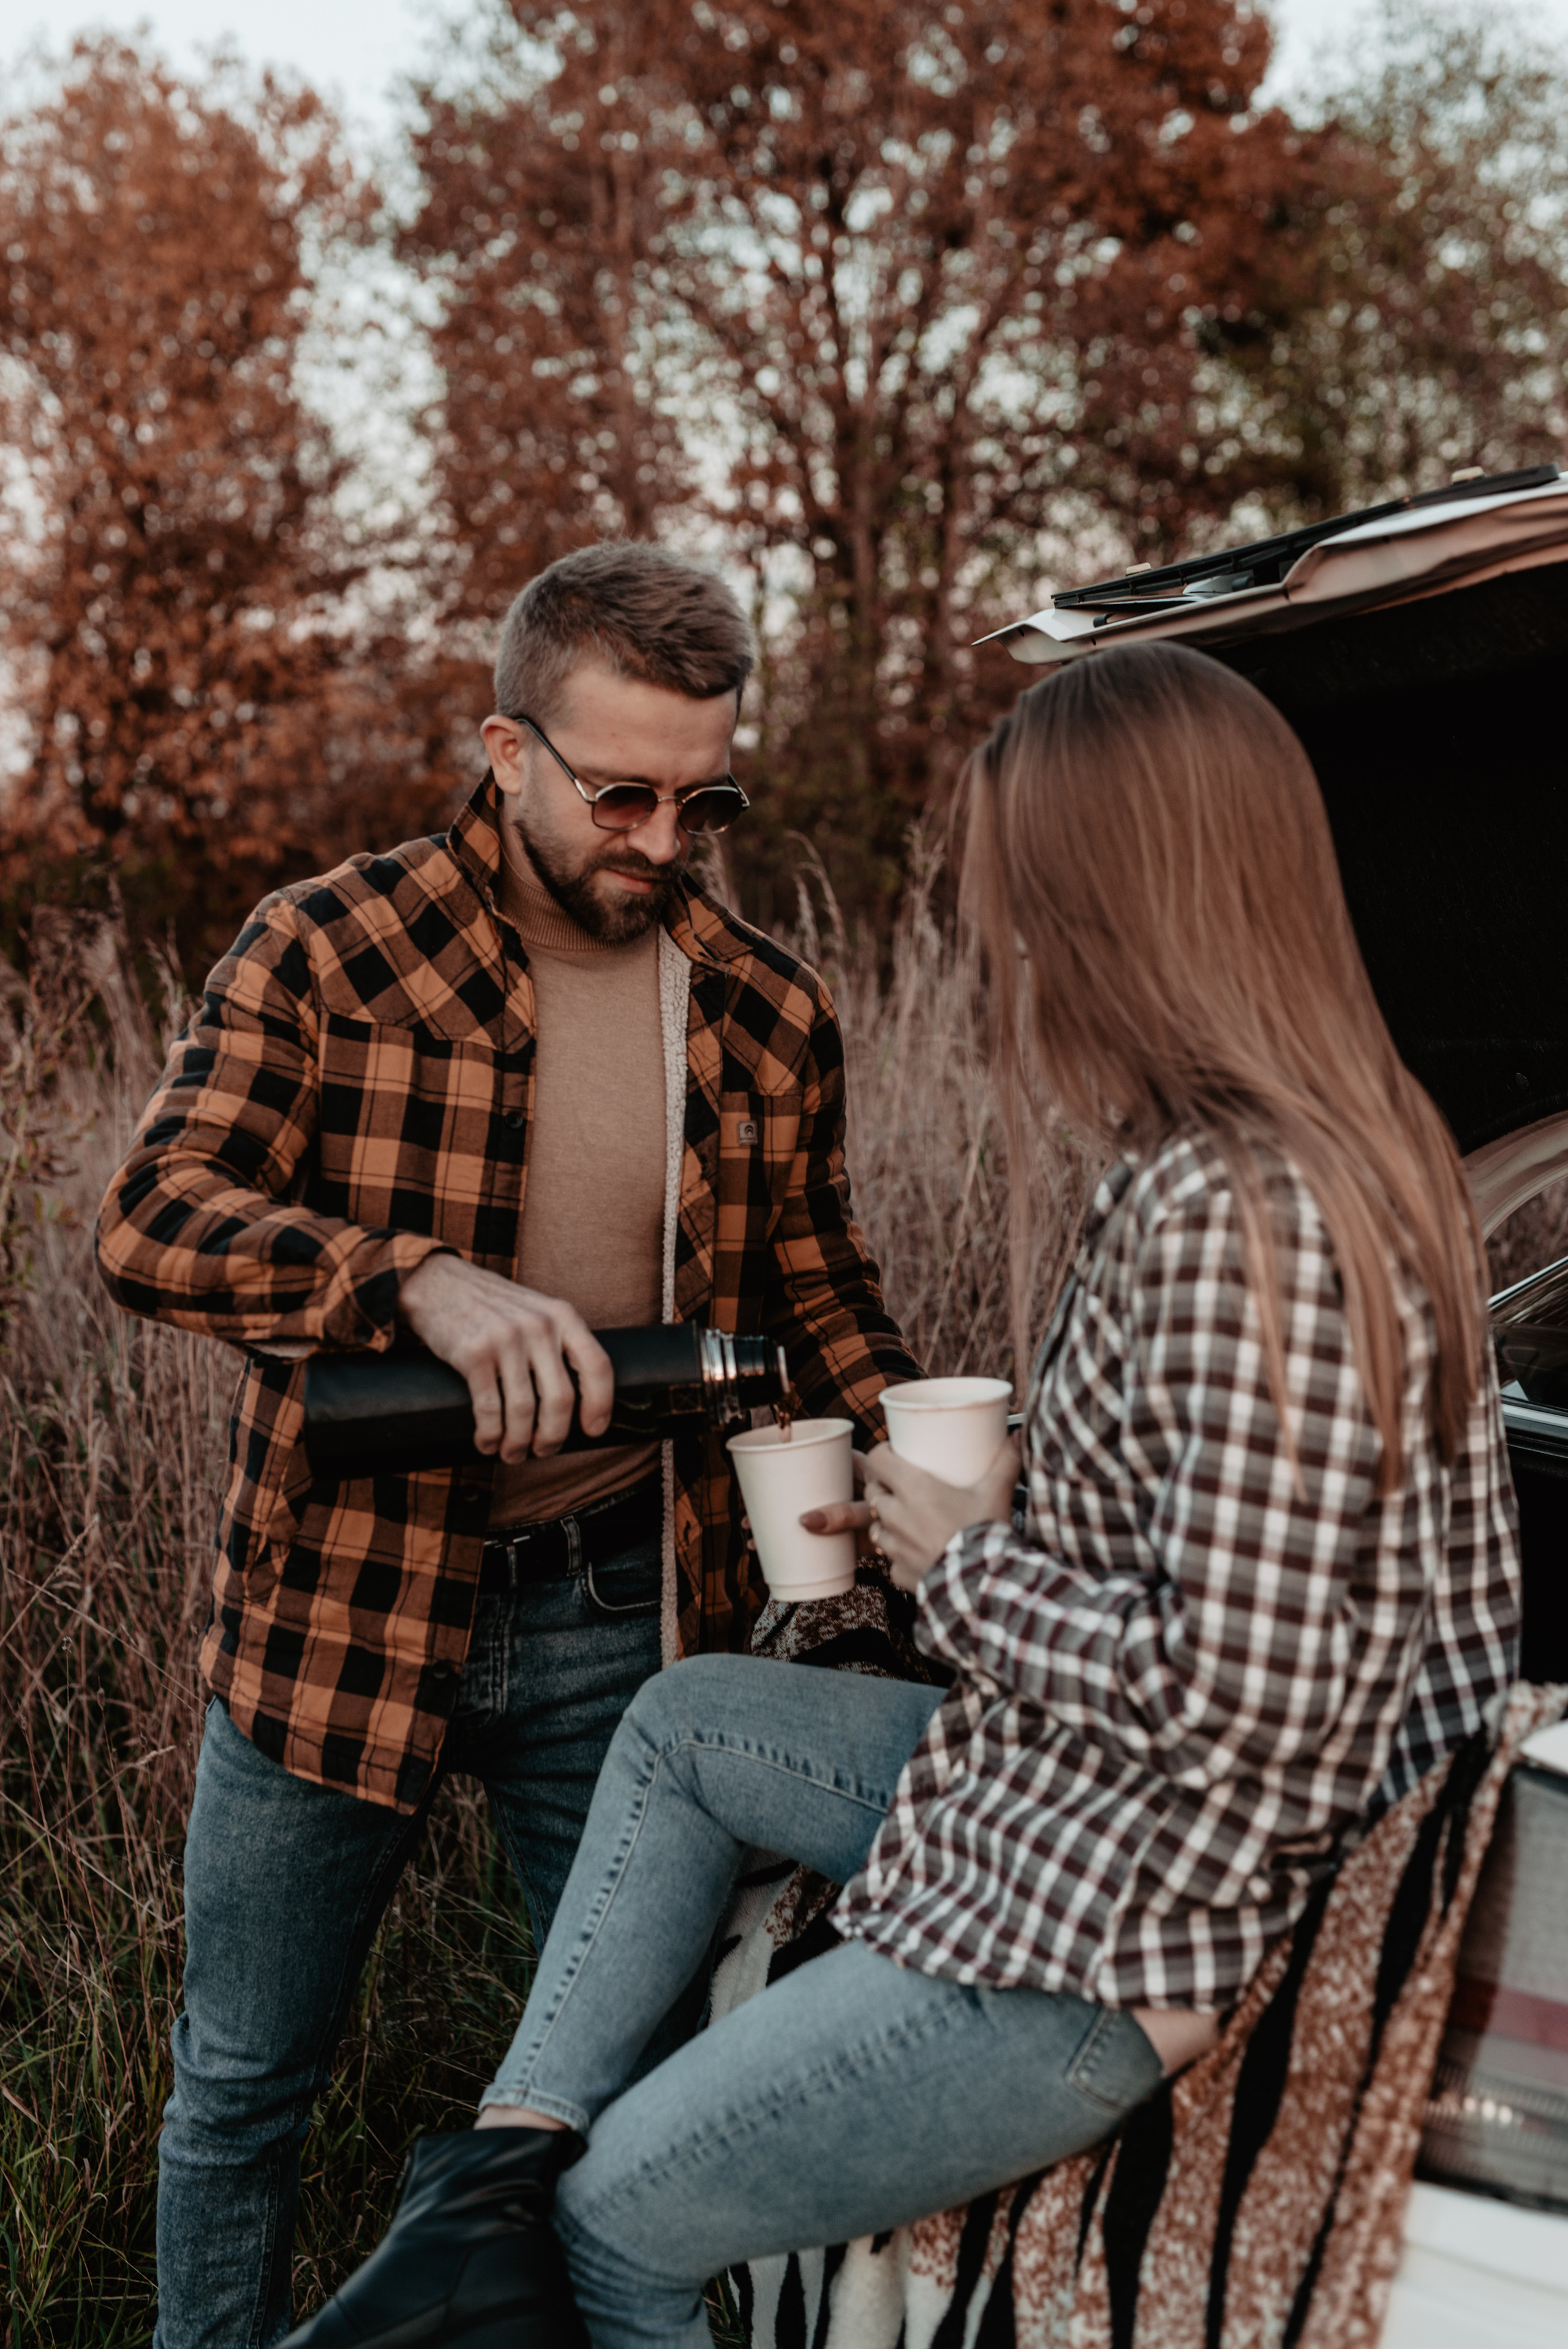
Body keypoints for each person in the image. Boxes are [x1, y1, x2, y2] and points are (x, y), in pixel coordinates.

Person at [278, 640, 1521, 2349]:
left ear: (1121, 909)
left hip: (1122, 1920)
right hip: (1089, 1798)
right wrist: (1027, 1511)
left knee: (614, 2229)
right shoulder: (1336, 1150)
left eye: (1024, 908)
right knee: (689, 1722)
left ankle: (513, 2229)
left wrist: (972, 1563)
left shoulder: (1245, 1217)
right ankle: (483, 2183)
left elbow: (1260, 1704)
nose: (1007, 953)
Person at [94, 542, 919, 2349]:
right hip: (339, 1603)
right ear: (506, 749)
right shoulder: (328, 945)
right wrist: (405, 1279)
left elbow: (822, 1291)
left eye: (704, 801)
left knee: (627, 2105)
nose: (662, 839)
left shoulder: (768, 1008)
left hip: (625, 1624)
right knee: (241, 2086)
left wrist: (916, 1463)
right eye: (619, 794)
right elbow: (150, 1220)